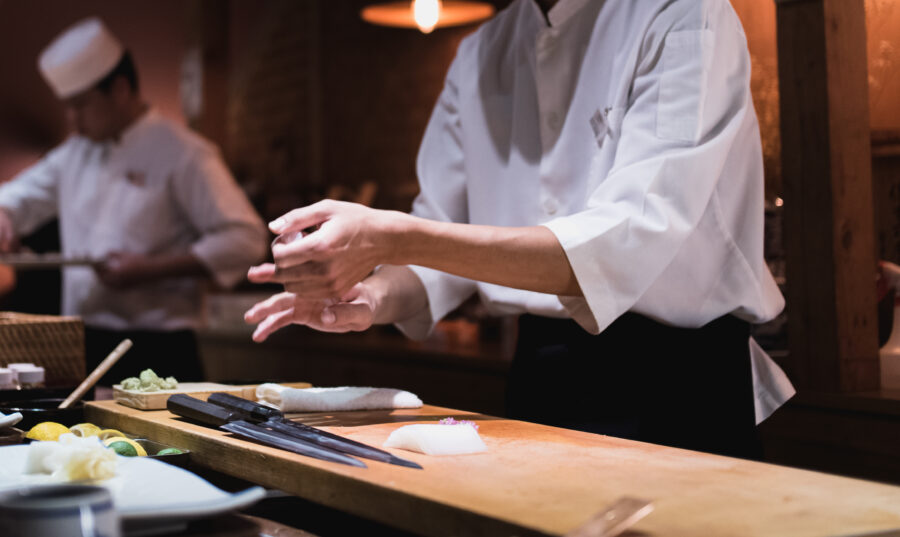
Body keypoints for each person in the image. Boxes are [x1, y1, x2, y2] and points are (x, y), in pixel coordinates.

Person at [244, 0, 795, 459]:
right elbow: (440, 235)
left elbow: (627, 239)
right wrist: (365, 297)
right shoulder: (481, 52)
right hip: (541, 375)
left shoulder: (682, 13)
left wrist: (392, 237)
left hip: (679, 382)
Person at [0, 18, 268, 384]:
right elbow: (19, 196)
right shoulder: (75, 152)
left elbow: (246, 238)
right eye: (68, 107)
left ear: (121, 89)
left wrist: (152, 268)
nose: (73, 121)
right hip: (82, 341)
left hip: (159, 346)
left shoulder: (184, 152)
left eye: (80, 105)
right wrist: (4, 214)